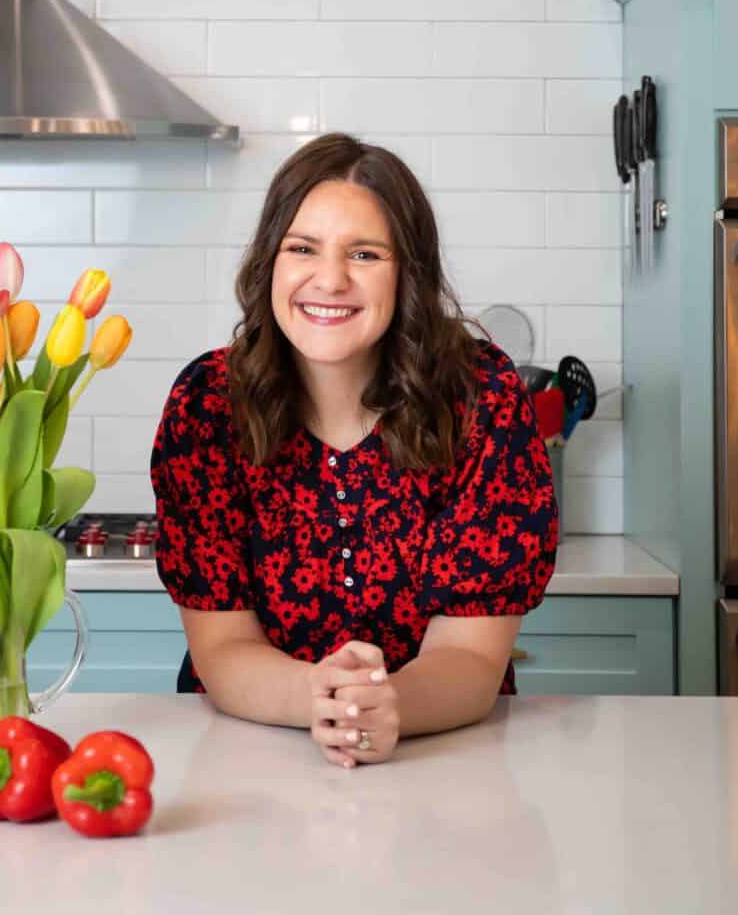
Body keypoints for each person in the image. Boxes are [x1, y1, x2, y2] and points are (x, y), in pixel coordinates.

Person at [149, 132, 559, 769]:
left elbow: (472, 656)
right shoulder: (208, 405)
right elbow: (222, 646)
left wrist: (391, 706)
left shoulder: (482, 398)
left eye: (365, 254)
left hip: (443, 759)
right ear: (269, 262)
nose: (331, 279)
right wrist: (324, 701)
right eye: (302, 248)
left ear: (408, 273)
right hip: (249, 755)